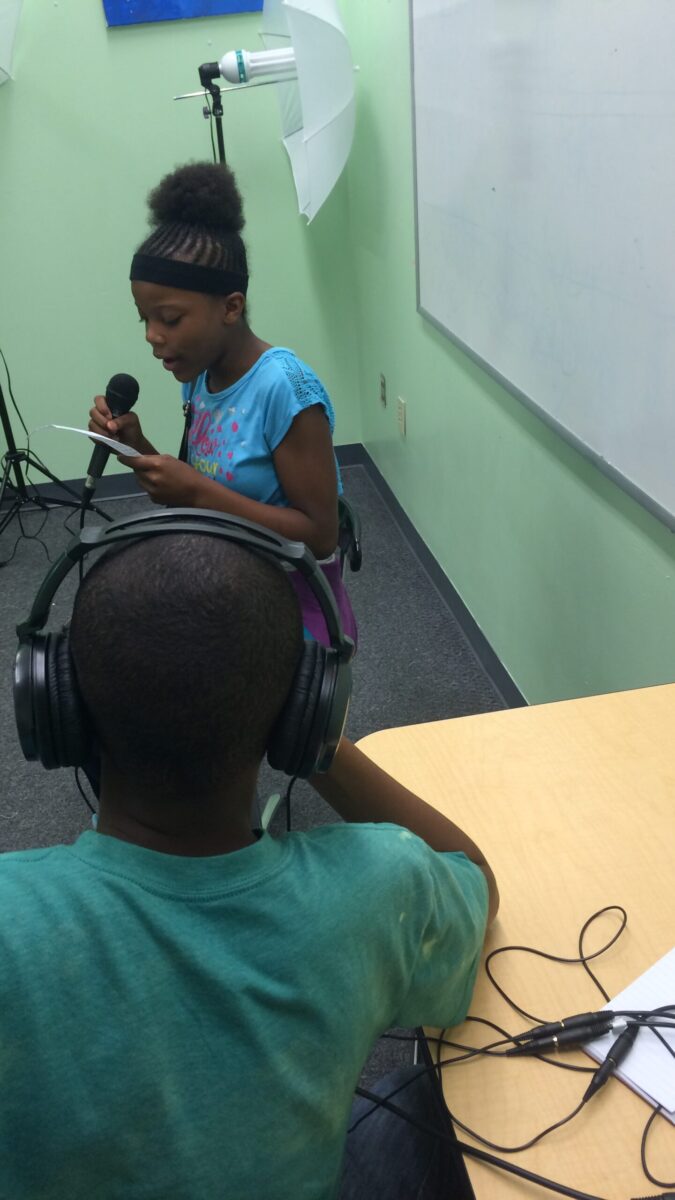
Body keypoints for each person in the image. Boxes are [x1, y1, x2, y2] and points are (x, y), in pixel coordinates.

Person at [3, 525, 498, 1200]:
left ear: (56, 710)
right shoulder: (383, 883)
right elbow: (470, 874)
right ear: (301, 714)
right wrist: (323, 739)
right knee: (420, 1093)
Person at [88, 160, 357, 648]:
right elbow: (197, 482)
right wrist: (136, 447)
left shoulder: (285, 391)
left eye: (169, 318)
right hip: (224, 587)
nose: (152, 336)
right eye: (144, 318)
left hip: (290, 613)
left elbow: (319, 536)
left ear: (231, 307)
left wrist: (196, 491)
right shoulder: (200, 377)